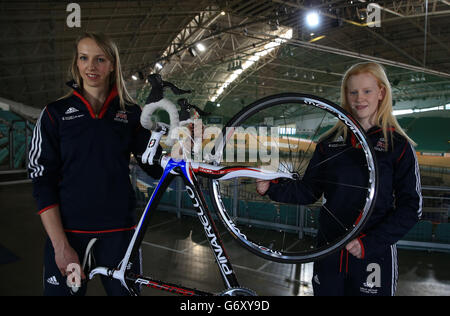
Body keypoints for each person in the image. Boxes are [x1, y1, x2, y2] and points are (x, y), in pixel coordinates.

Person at [256, 62, 422, 296]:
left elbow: (411, 207)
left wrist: (371, 243)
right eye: (352, 92)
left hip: (373, 255)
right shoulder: (329, 143)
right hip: (329, 251)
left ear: (381, 93)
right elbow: (309, 191)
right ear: (345, 95)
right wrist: (271, 187)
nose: (359, 98)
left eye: (367, 91)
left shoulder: (398, 146)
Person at [28, 32, 162, 296]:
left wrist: (178, 146)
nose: (91, 66)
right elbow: (42, 181)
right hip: (71, 237)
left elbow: (155, 167)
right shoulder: (55, 114)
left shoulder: (132, 114)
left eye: (100, 59)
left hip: (120, 237)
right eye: (84, 58)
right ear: (76, 63)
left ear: (112, 64)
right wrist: (60, 246)